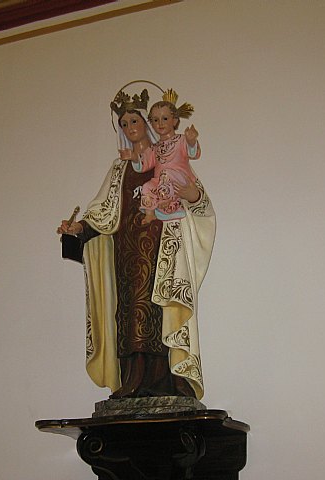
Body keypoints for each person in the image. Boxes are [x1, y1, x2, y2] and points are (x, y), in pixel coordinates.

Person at [56, 86, 215, 400]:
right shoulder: (120, 169)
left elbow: (198, 201)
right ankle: (133, 376)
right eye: (124, 124)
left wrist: (192, 196)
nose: (130, 128)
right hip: (126, 252)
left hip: (162, 249)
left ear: (149, 123)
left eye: (135, 121)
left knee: (161, 308)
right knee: (130, 311)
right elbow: (104, 211)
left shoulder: (167, 155)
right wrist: (78, 228)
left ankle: (172, 379)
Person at [127, 89, 201, 224]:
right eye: (155, 120)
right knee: (147, 186)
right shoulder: (155, 148)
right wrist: (135, 158)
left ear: (175, 121)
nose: (160, 123)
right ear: (151, 124)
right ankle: (150, 213)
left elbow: (192, 153)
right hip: (161, 181)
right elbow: (144, 164)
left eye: (165, 119)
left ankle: (168, 202)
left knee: (166, 174)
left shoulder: (181, 140)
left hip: (179, 178)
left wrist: (191, 141)